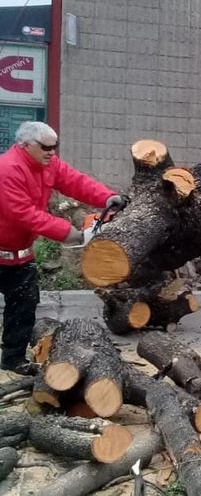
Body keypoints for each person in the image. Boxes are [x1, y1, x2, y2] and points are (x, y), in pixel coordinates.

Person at [0, 122, 127, 374]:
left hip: (19, 254)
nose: (52, 152)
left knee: (24, 305)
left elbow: (74, 181)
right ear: (25, 145)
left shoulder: (49, 165)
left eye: (54, 147)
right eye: (46, 147)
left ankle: (13, 360)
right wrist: (67, 232)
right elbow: (23, 213)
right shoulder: (7, 169)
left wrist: (105, 197)